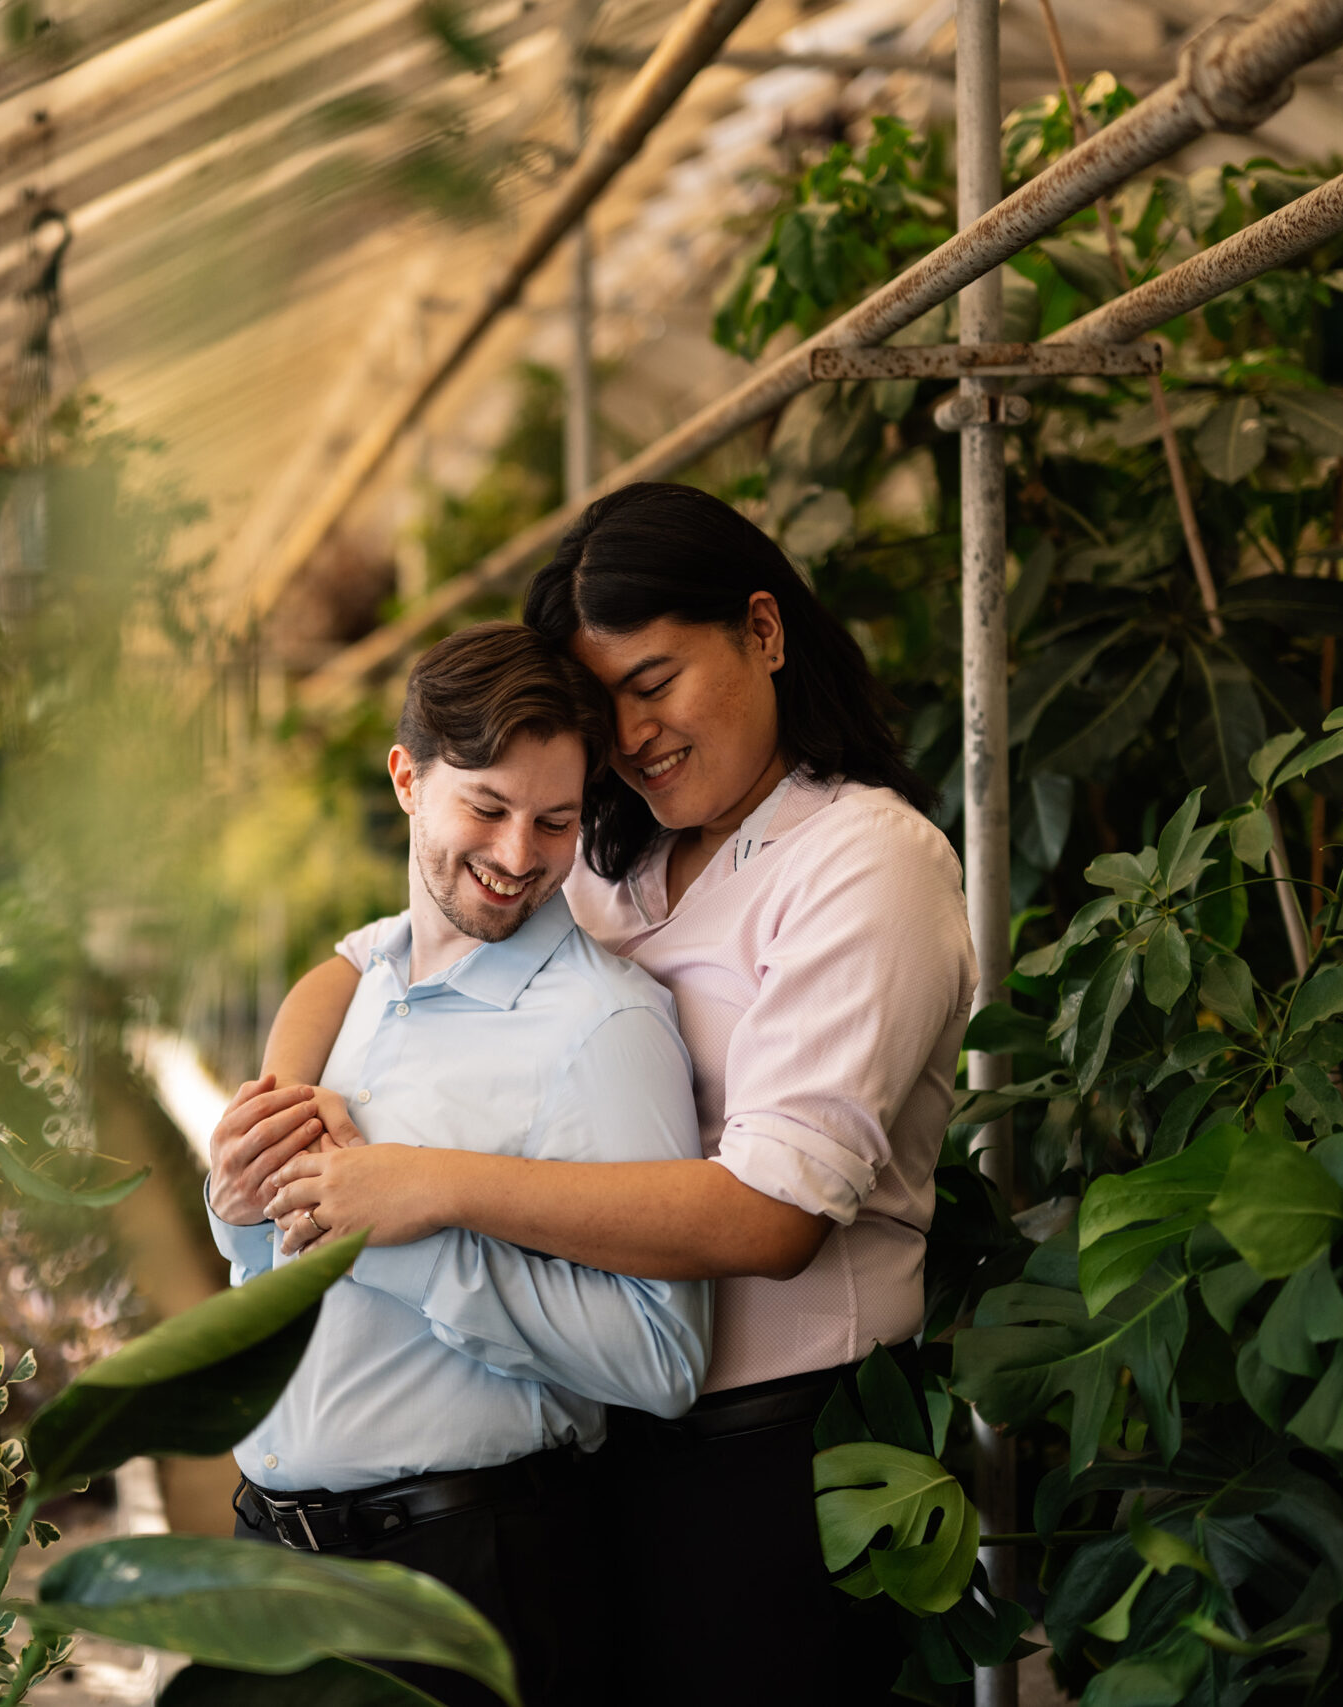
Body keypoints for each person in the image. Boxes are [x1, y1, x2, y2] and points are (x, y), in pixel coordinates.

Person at [221, 482, 976, 1698]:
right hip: (606, 1453)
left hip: (776, 1460)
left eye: (655, 681)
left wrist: (426, 1190)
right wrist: (284, 1111)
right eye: (605, 704)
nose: (632, 736)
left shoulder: (862, 861)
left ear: (764, 634)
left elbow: (769, 1218)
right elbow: (358, 959)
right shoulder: (604, 861)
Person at [206, 619, 712, 1707]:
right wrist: (237, 1199)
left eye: (556, 820)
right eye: (485, 807)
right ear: (407, 780)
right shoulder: (363, 975)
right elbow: (265, 1255)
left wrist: (412, 1240)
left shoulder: (603, 1027)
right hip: (267, 1560)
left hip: (460, 1573)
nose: (518, 854)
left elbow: (665, 1360)